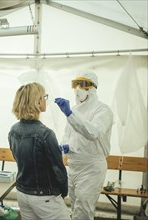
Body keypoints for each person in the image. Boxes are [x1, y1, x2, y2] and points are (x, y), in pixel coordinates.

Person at [55, 71, 113, 220]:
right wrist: (65, 146)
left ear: (93, 88)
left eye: (84, 84)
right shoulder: (74, 110)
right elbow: (68, 135)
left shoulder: (102, 110)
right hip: (74, 165)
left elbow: (92, 132)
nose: (78, 89)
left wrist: (69, 114)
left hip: (91, 167)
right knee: (74, 207)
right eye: (75, 84)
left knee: (83, 211)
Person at [8, 82, 70, 220]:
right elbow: (58, 169)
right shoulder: (46, 134)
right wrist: (63, 192)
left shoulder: (13, 130)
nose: (46, 100)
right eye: (44, 96)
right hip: (45, 197)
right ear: (37, 102)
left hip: (23, 194)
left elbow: (18, 158)